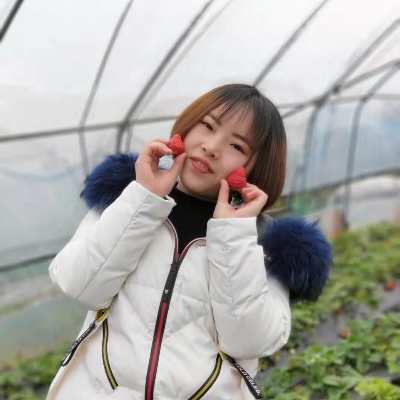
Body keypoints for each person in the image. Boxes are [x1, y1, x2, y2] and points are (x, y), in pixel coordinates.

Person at [46, 84, 332, 400]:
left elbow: (248, 341)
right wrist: (143, 199)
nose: (212, 147)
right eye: (207, 126)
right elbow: (79, 284)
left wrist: (232, 236)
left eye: (236, 146)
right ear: (188, 125)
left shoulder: (266, 245)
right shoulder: (128, 198)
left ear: (256, 168)